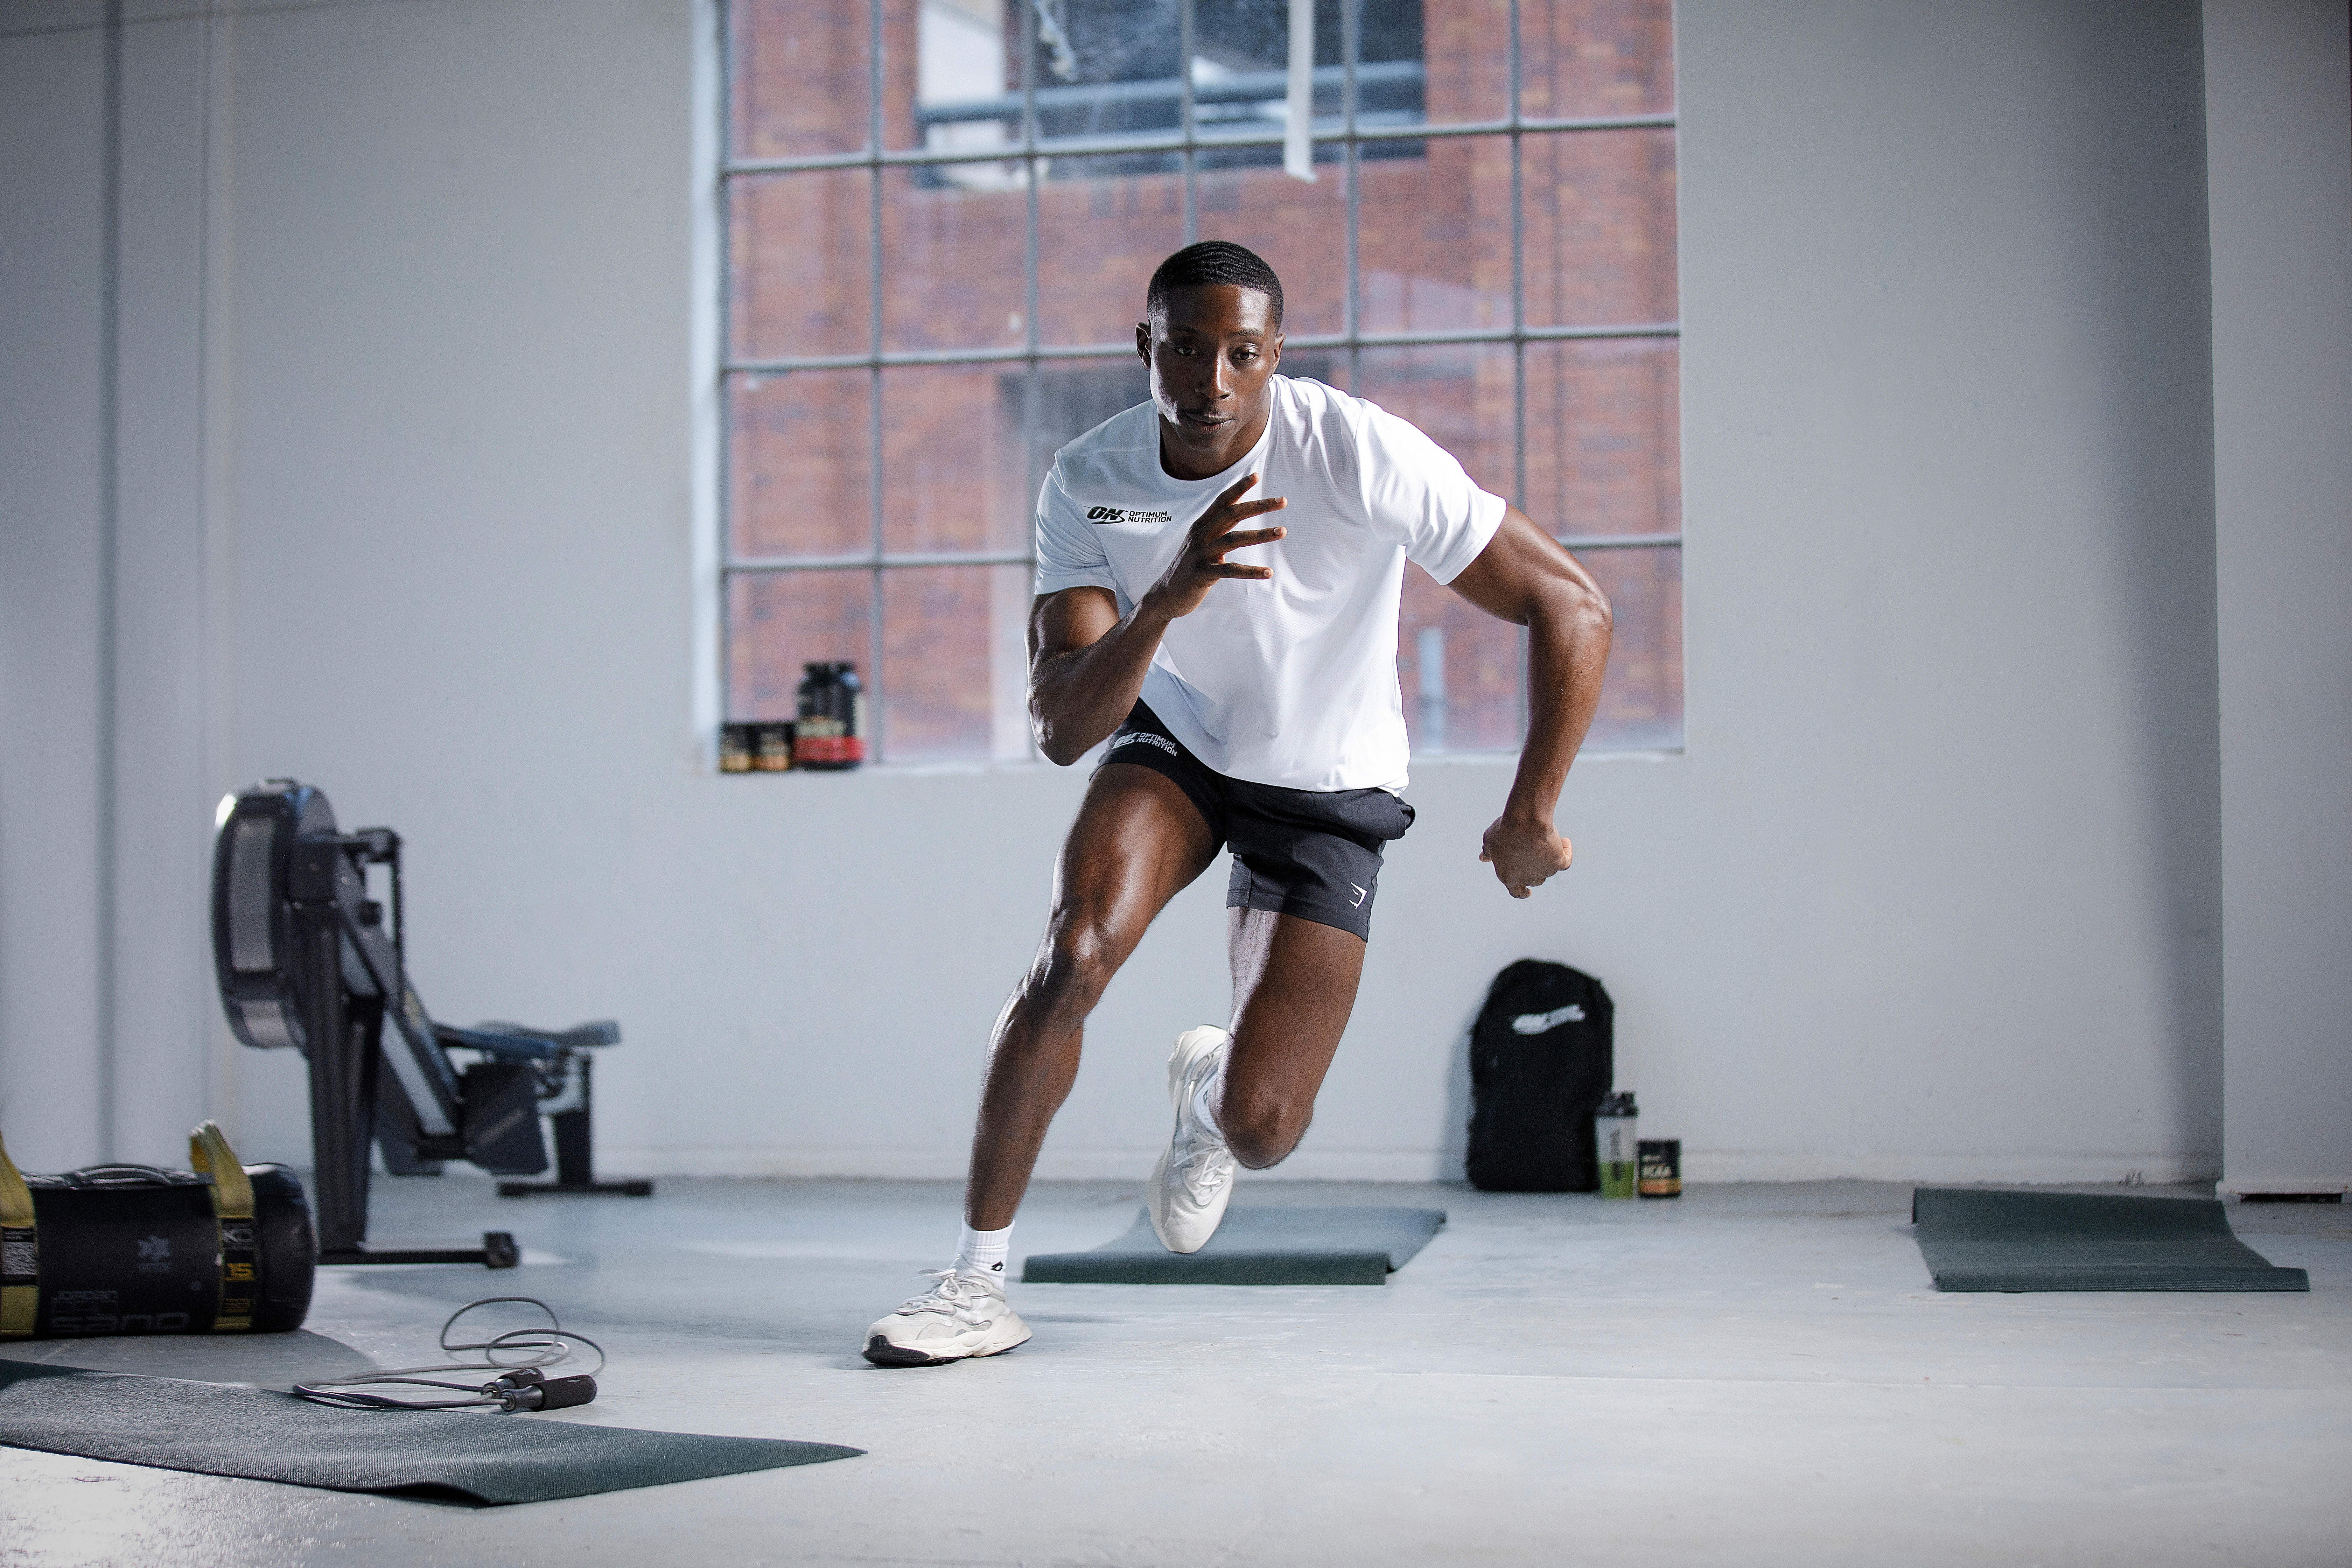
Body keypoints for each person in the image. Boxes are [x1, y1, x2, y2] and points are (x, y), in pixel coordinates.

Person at [863, 241, 1613, 1366]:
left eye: (1242, 355)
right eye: (1185, 349)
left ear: (1276, 359)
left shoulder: (1354, 449)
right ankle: (973, 1284)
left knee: (1266, 1128)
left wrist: (1531, 810)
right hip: (1182, 747)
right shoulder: (1089, 479)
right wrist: (1163, 603)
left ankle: (1205, 1096)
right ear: (1146, 349)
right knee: (1072, 957)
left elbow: (1574, 605)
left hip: (1330, 781)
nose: (1210, 381)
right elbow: (1063, 730)